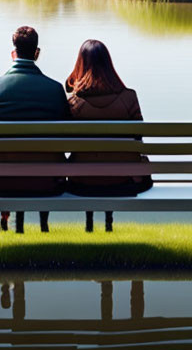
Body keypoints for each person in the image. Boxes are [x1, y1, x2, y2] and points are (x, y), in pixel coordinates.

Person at [0, 26, 70, 233]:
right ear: (37, 53)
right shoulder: (55, 89)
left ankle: (5, 219)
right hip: (48, 183)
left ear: (13, 53)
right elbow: (65, 136)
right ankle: (43, 225)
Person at [65, 39, 152, 232]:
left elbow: (65, 144)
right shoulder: (129, 97)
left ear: (80, 64)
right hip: (123, 181)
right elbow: (138, 140)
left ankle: (89, 225)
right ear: (108, 64)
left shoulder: (73, 103)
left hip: (81, 182)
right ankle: (108, 224)